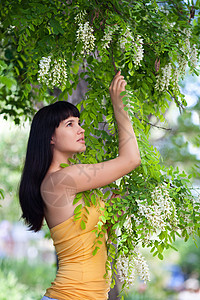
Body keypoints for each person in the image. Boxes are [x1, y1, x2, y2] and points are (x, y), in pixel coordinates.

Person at [19, 71, 141, 300]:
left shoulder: (73, 184)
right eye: (70, 124)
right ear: (51, 138)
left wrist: (112, 213)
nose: (80, 129)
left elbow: (94, 242)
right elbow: (131, 159)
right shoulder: (62, 179)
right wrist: (119, 105)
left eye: (79, 123)